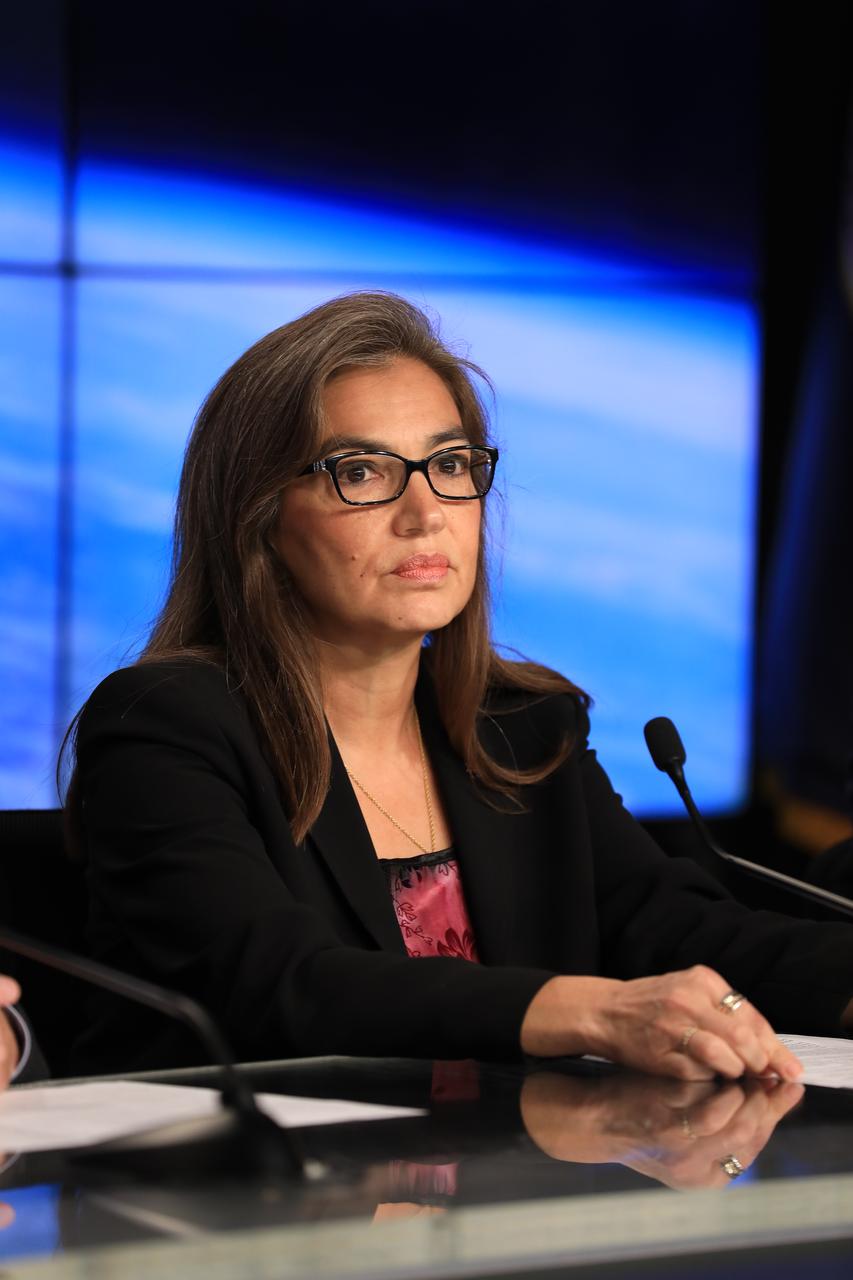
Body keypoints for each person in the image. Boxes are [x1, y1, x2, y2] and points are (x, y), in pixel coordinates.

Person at [67, 291, 853, 1079]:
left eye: (449, 466)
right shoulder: (164, 730)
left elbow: (673, 931)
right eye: (362, 472)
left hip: (494, 1185)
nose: (425, 514)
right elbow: (278, 982)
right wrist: (589, 1008)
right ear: (260, 517)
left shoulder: (520, 728)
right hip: (244, 1188)